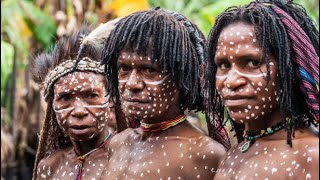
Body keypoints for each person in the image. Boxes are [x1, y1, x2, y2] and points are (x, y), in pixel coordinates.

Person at [100, 8, 227, 179]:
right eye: (124, 68)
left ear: (182, 78)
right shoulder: (118, 143)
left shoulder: (206, 155)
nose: (132, 84)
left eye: (148, 70)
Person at [203, 0, 319, 179]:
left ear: (290, 67)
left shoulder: (312, 155)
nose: (231, 81)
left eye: (252, 62)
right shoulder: (232, 156)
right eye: (223, 65)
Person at [31, 19, 119, 180]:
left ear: (110, 99)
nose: (78, 111)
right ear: (52, 106)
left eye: (91, 95)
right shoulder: (49, 166)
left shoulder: (128, 158)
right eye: (65, 98)